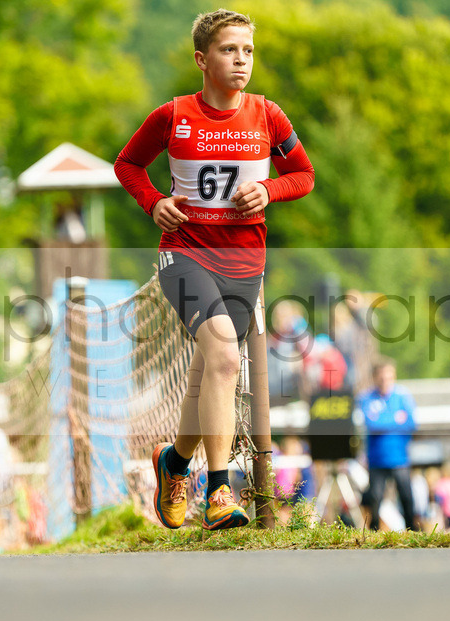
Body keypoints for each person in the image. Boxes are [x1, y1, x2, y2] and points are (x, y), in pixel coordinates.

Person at [115, 9, 314, 530]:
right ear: (203, 59)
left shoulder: (269, 116)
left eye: (248, 51)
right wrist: (153, 201)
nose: (241, 60)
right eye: (230, 50)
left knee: (210, 374)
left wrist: (269, 189)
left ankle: (174, 462)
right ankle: (220, 491)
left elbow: (304, 175)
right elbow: (127, 165)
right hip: (183, 254)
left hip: (245, 262)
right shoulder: (172, 115)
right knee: (225, 355)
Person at [358, 357, 419, 531]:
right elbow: (372, 424)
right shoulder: (366, 398)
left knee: (406, 495)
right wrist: (396, 420)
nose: (385, 381)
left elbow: (412, 424)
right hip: (377, 458)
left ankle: (412, 531)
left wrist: (386, 421)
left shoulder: (403, 396)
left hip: (399, 457)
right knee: (375, 497)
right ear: (375, 378)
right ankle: (373, 532)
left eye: (389, 377)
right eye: (382, 377)